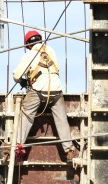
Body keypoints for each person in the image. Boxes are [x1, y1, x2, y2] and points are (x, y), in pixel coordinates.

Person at [7, 30, 78, 162]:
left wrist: (23, 81)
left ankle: (17, 146)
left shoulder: (30, 54)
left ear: (28, 45)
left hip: (38, 91)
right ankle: (69, 150)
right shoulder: (51, 51)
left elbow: (16, 75)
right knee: (62, 120)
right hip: (56, 91)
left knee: (26, 116)